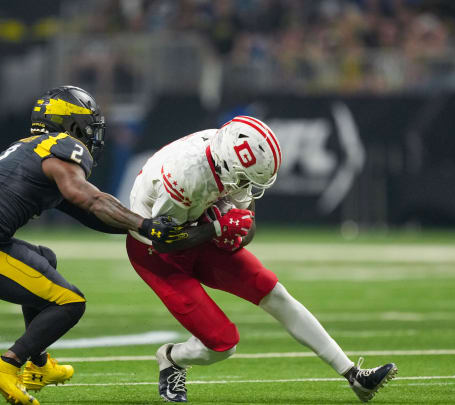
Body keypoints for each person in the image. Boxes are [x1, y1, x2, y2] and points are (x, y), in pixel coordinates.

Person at [0, 86, 183, 405]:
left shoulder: (33, 148)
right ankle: (7, 363)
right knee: (70, 302)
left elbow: (89, 215)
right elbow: (91, 199)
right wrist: (145, 225)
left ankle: (38, 366)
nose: (93, 134)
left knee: (44, 259)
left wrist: (139, 230)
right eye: (89, 125)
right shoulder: (62, 147)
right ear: (72, 124)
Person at [125, 116, 397, 403]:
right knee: (222, 344)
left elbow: (246, 228)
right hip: (155, 252)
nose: (244, 185)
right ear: (228, 163)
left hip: (196, 231)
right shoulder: (185, 174)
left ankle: (354, 375)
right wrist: (216, 228)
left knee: (274, 292)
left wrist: (233, 231)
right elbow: (163, 240)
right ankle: (172, 358)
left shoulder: (229, 157)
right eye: (242, 178)